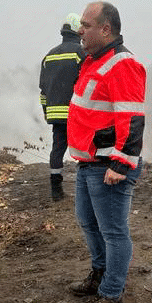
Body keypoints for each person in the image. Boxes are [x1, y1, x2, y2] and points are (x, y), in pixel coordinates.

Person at [67, 1, 146, 303]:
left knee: (113, 231)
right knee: (87, 221)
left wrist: (121, 163)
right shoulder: (93, 62)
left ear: (106, 29)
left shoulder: (122, 64)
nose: (79, 31)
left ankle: (112, 296)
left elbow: (132, 118)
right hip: (88, 161)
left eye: (85, 25)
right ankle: (99, 274)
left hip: (107, 165)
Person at [39, 14, 85, 201]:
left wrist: (46, 111)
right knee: (84, 150)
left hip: (55, 113)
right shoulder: (81, 54)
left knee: (57, 149)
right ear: (77, 30)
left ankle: (56, 190)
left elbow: (43, 90)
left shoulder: (48, 56)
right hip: (77, 113)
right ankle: (86, 189)